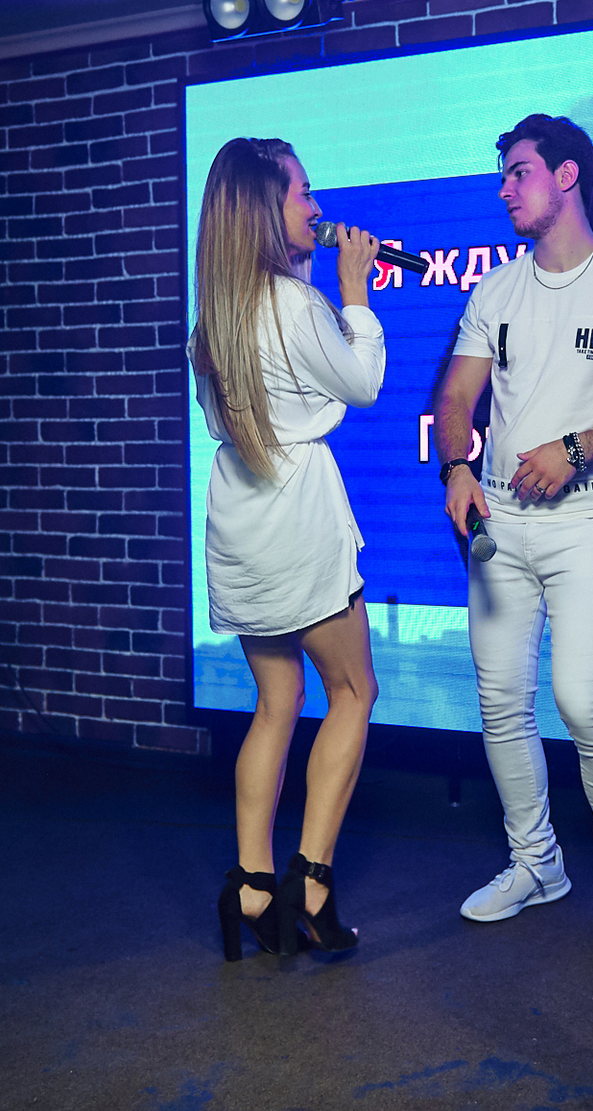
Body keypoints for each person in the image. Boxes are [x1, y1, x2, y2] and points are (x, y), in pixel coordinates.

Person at [437, 115, 593, 950]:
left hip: (590, 518)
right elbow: (456, 398)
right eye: (503, 176)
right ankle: (537, 863)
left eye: (519, 173)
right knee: (501, 703)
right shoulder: (495, 290)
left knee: (584, 701)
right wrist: (457, 467)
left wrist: (576, 449)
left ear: (568, 175)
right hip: (499, 524)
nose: (505, 190)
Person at [190, 137, 385, 960]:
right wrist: (355, 294)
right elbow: (363, 384)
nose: (317, 205)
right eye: (303, 191)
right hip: (300, 523)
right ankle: (312, 885)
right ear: (264, 209)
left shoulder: (214, 318)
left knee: (275, 701)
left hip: (240, 522)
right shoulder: (298, 305)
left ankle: (250, 885)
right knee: (353, 691)